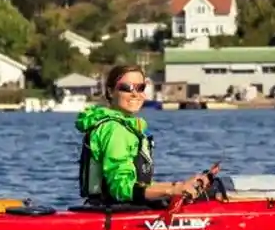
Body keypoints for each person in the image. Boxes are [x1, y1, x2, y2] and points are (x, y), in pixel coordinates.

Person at [75, 64, 211, 206]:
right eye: (127, 88)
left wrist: (180, 185)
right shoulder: (114, 130)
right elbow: (121, 189)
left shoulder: (126, 127)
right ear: (110, 91)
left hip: (125, 206)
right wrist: (174, 189)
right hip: (113, 213)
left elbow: (138, 184)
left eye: (140, 88)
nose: (135, 94)